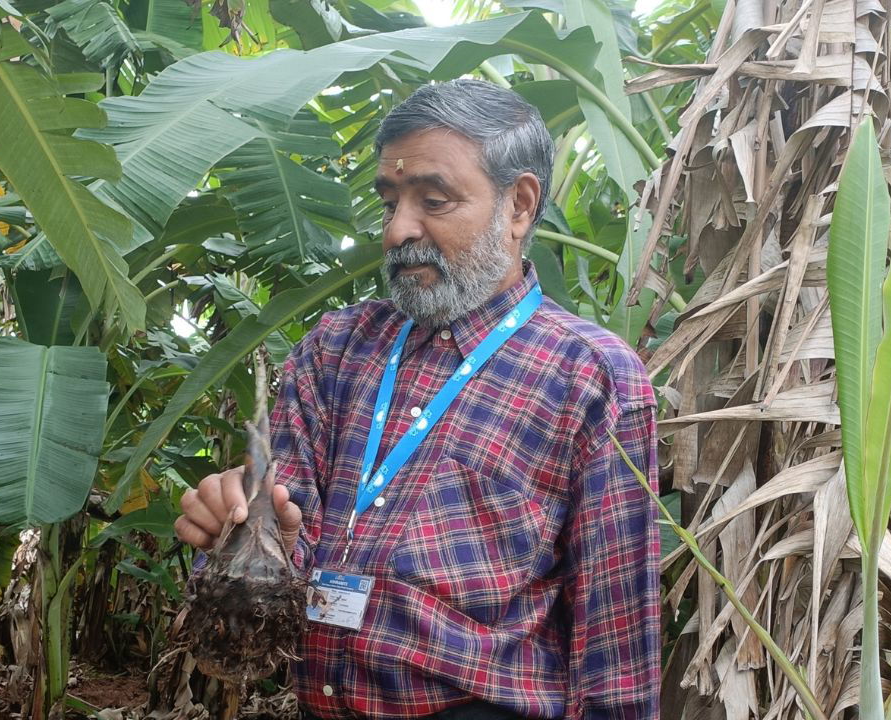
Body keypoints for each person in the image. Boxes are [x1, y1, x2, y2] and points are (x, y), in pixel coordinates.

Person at [174, 79, 659, 720]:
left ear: (518, 205)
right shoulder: (337, 348)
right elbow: (286, 519)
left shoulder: (590, 377)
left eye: (433, 200)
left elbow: (614, 641)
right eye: (389, 201)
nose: (398, 230)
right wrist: (249, 518)